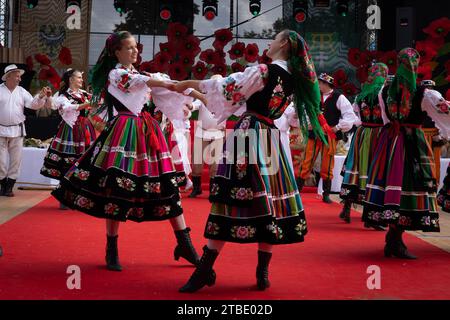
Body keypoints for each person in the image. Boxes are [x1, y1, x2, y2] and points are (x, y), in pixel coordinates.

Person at [172, 30, 327, 292]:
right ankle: (261, 271)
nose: (270, 42)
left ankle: (205, 269)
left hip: (250, 136)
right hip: (271, 140)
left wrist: (190, 82)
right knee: (269, 202)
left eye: (274, 38)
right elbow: (238, 97)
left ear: (284, 45)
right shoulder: (295, 78)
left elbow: (228, 89)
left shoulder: (264, 71)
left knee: (230, 198)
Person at [52, 31, 199, 271]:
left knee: (167, 186)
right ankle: (112, 248)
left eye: (135, 47)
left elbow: (166, 89)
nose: (134, 51)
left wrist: (201, 92)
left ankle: (184, 242)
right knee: (116, 189)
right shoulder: (116, 74)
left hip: (147, 131)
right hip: (124, 131)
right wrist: (179, 83)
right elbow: (154, 83)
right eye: (129, 48)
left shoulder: (141, 74)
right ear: (116, 52)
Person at [362, 48, 442, 259]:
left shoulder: (384, 90)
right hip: (412, 142)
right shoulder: (424, 93)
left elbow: (387, 121)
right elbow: (442, 113)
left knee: (392, 186)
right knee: (409, 185)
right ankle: (395, 240)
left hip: (389, 142)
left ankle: (393, 238)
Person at [339, 63, 390, 227]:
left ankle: (346, 208)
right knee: (375, 171)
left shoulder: (361, 95)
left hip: (361, 134)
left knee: (356, 167)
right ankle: (372, 216)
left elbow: (356, 117)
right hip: (379, 134)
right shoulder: (384, 93)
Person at [297, 73, 357, 203]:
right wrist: (308, 124)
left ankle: (326, 194)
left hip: (329, 136)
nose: (318, 85)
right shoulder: (314, 96)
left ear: (326, 84)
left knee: (327, 164)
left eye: (320, 83)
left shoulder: (339, 97)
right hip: (314, 135)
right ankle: (297, 191)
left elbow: (350, 115)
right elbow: (306, 111)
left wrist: (337, 127)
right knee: (307, 161)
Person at [40, 69, 96, 209]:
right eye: (78, 77)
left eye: (81, 78)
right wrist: (87, 104)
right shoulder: (62, 95)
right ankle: (64, 198)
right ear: (71, 79)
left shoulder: (83, 94)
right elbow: (67, 108)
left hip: (85, 130)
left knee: (83, 162)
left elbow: (96, 101)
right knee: (68, 162)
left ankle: (79, 197)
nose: (81, 80)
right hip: (70, 131)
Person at [0, 64, 52, 197]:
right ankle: (3, 185)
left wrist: (40, 97)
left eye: (19, 76)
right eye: (17, 76)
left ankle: (9, 186)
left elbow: (33, 105)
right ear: (8, 77)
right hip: (0, 130)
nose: (19, 79)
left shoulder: (22, 91)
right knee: (1, 161)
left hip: (17, 130)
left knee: (16, 160)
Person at [419, 79, 450, 183]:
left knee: (430, 163)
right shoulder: (431, 96)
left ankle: (431, 183)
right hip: (427, 135)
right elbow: (445, 111)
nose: (429, 90)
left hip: (428, 135)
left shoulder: (423, 96)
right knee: (428, 163)